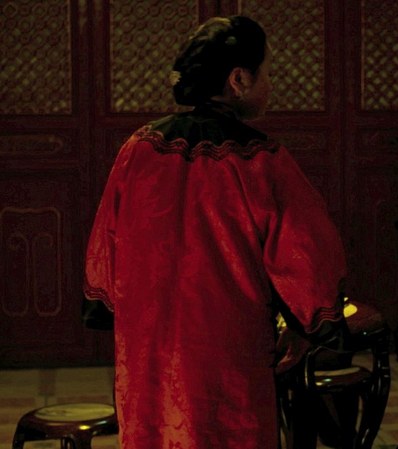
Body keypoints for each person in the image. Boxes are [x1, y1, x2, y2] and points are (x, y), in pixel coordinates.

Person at [83, 16, 347, 449]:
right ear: (239, 79)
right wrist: (308, 325)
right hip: (228, 352)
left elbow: (103, 251)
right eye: (267, 73)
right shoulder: (261, 161)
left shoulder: (138, 149)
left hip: (150, 351)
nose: (270, 85)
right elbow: (307, 254)